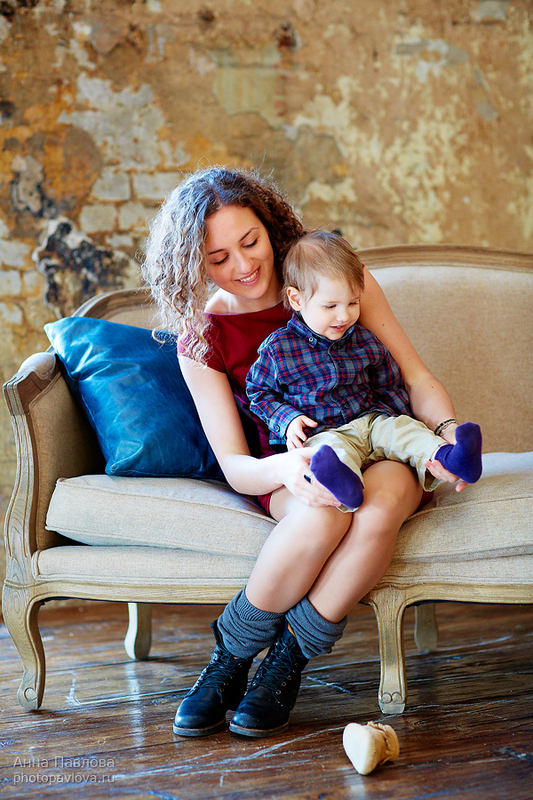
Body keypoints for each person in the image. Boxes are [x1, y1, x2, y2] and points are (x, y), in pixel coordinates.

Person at [142, 166, 469, 740]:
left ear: (270, 228)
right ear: (194, 264)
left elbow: (415, 376)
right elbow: (236, 466)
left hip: (382, 440)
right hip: (293, 465)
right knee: (324, 513)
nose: (243, 265)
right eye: (218, 258)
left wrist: (445, 432)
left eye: (250, 242)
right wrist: (288, 469)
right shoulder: (202, 335)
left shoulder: (334, 280)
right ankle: (231, 657)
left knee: (378, 505)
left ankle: (288, 659)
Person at [246, 230, 482, 512]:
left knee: (404, 431)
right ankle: (345, 486)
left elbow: (390, 386)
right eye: (330, 306)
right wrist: (287, 420)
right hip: (324, 431)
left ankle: (452, 457)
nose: (344, 315)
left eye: (353, 302)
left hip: (372, 422)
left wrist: (404, 421)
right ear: (296, 300)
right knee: (330, 452)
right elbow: (258, 392)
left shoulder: (366, 341)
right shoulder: (278, 349)